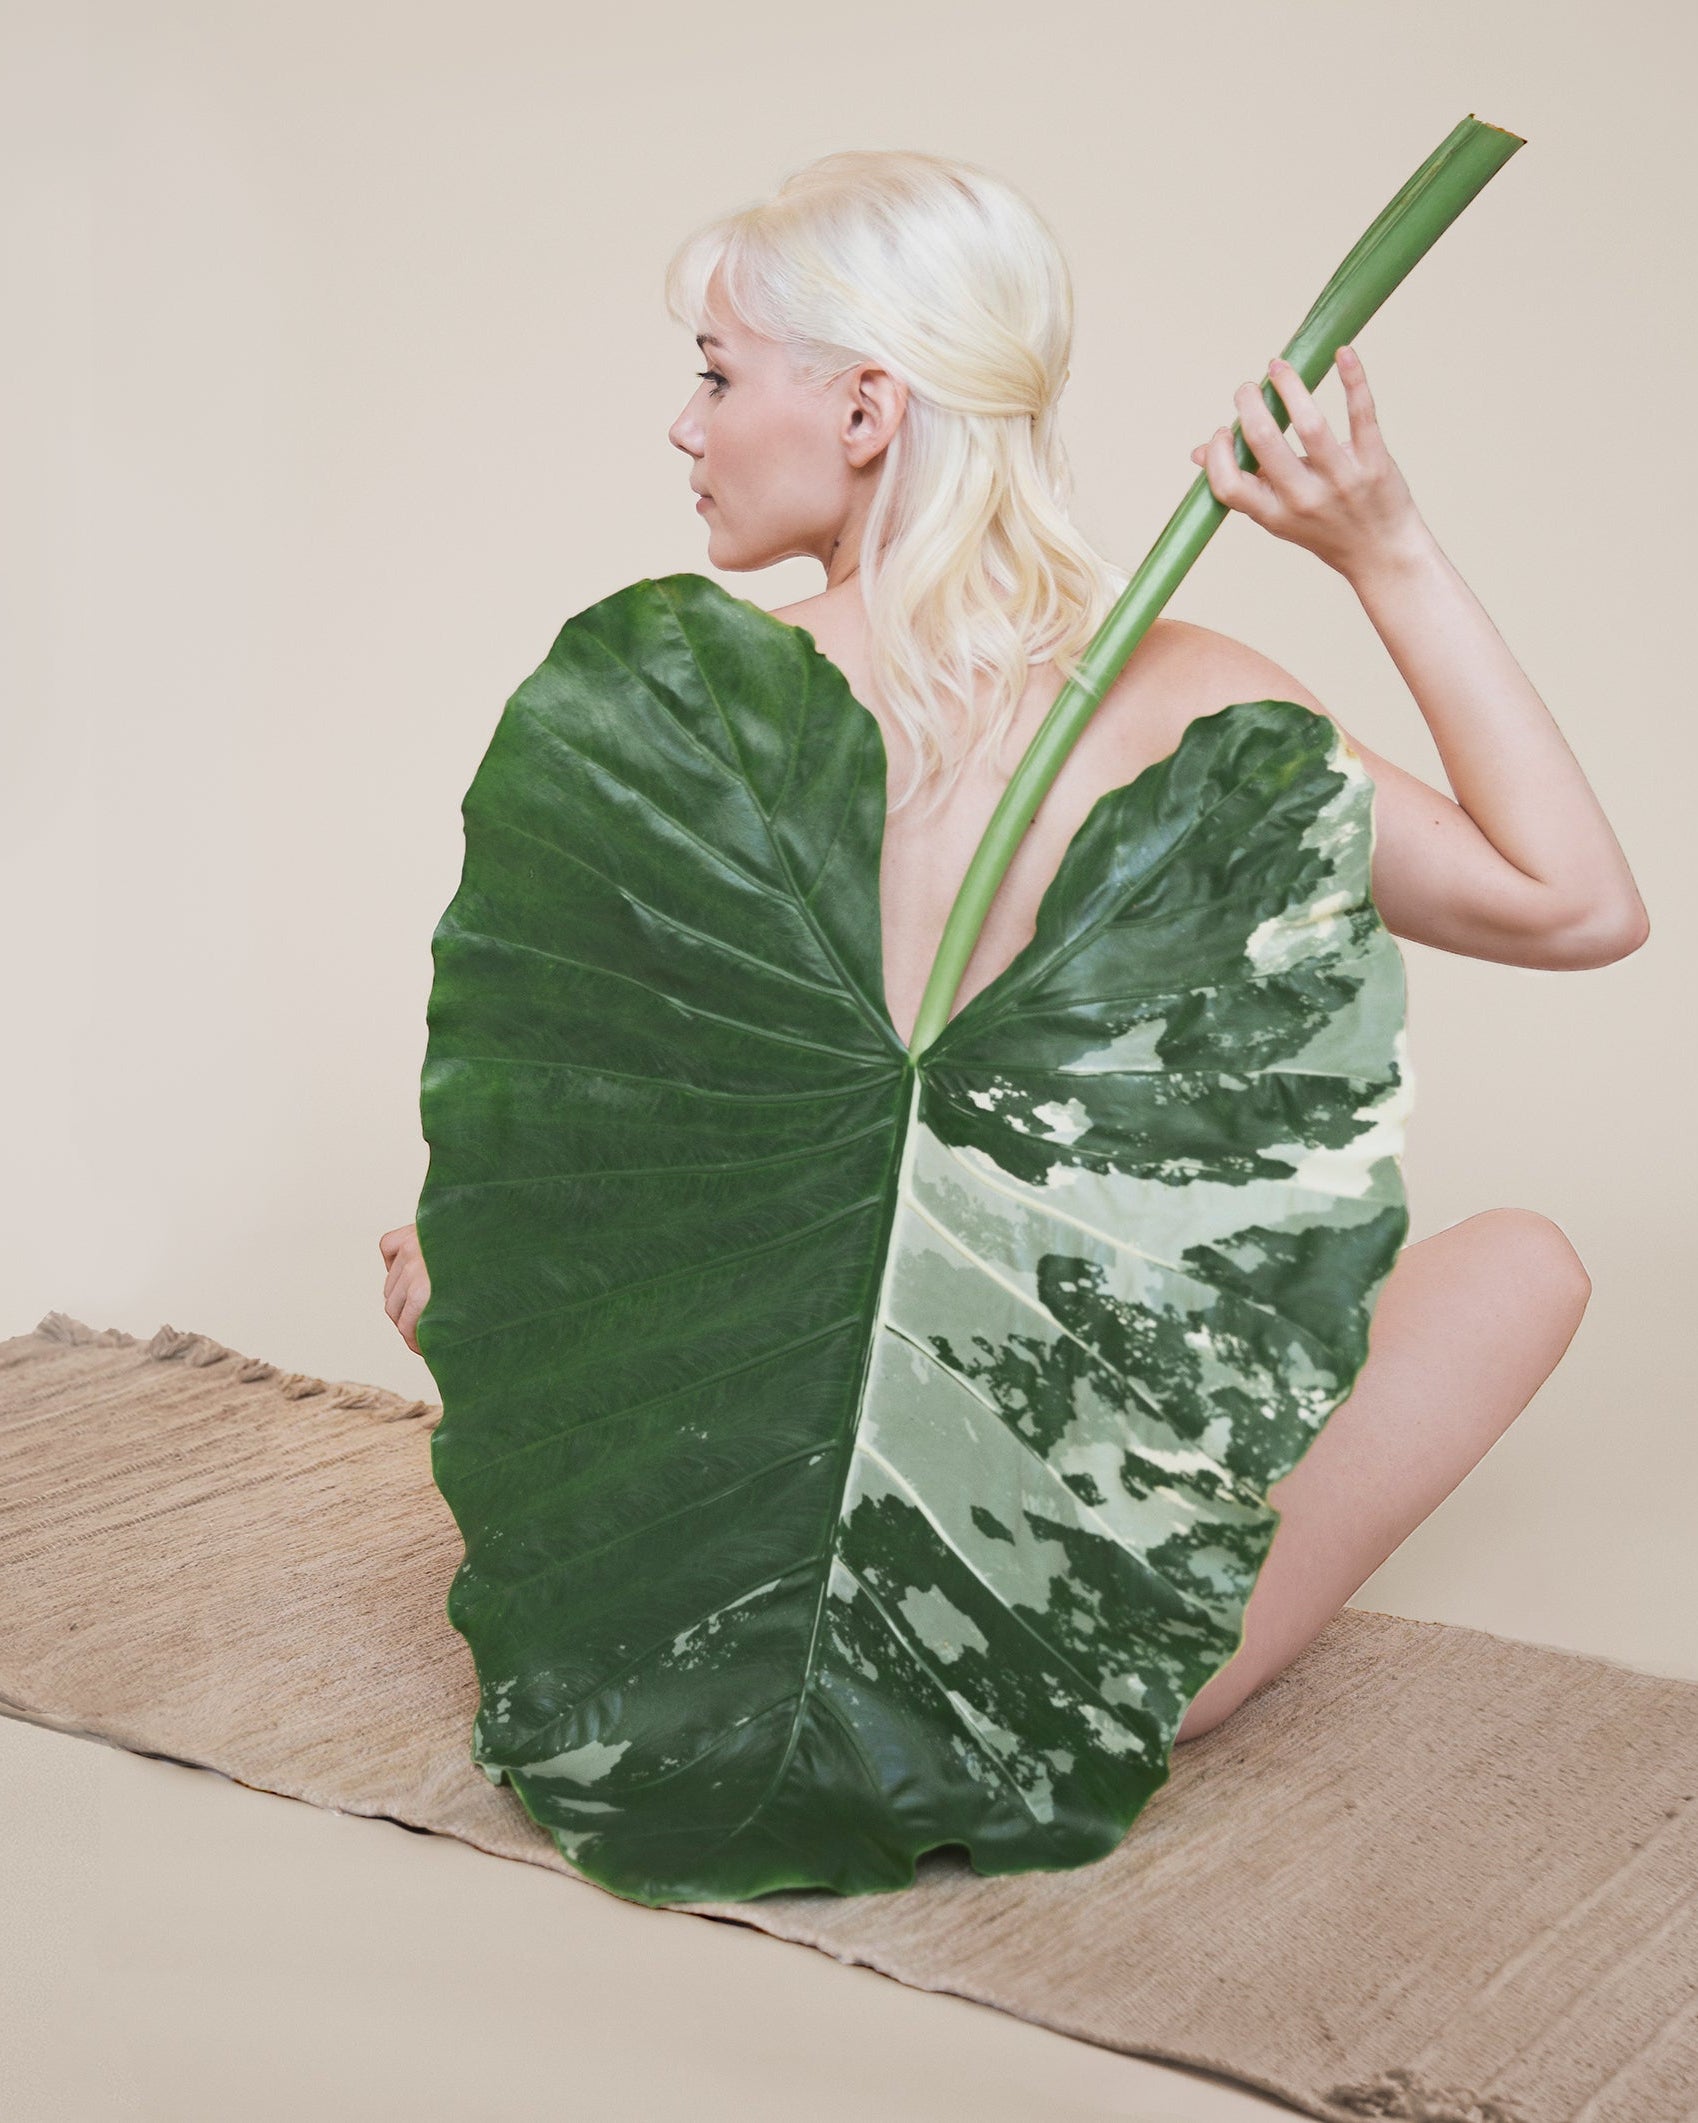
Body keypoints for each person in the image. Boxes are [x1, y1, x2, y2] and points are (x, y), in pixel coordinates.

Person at [380, 148, 1648, 1746]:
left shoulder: (683, 714)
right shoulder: (1186, 694)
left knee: (484, 1262)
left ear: (864, 410)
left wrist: (475, 1272)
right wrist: (1379, 543)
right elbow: (1572, 904)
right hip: (1065, 1664)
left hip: (684, 1639)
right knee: (1520, 1263)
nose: (684, 427)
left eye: (714, 375)